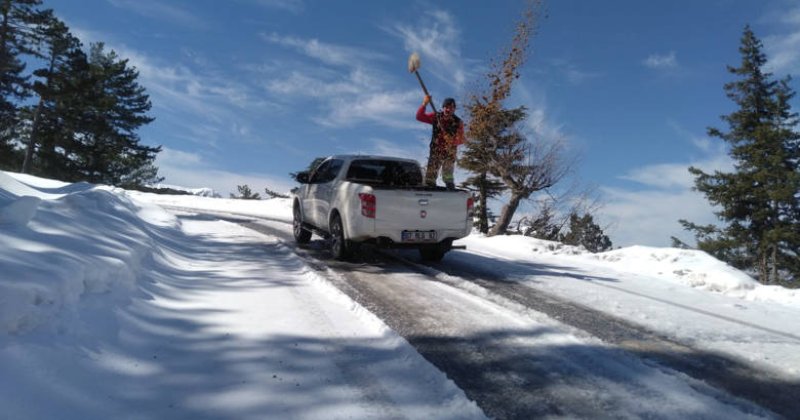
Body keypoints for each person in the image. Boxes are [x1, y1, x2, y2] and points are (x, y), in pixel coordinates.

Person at [416, 95, 465, 189]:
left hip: (450, 151)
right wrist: (424, 104)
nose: (448, 109)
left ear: (454, 109)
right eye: (446, 107)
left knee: (448, 172)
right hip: (436, 149)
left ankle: (449, 185)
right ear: (443, 108)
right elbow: (419, 117)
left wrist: (452, 140)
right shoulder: (436, 117)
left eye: (451, 107)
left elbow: (462, 139)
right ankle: (430, 185)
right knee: (431, 173)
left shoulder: (458, 122)